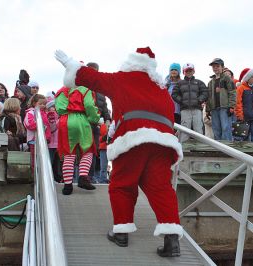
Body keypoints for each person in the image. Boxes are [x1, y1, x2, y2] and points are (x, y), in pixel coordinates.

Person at [55, 47, 184, 257]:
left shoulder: (123, 79)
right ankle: (172, 242)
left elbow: (93, 78)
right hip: (163, 142)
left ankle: (121, 232)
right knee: (161, 188)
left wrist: (70, 63)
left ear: (131, 63)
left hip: (132, 139)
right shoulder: (161, 88)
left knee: (122, 185)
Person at [55, 85, 100, 194]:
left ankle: (67, 186)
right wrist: (94, 118)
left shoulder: (61, 90)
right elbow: (89, 105)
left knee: (68, 153)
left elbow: (59, 108)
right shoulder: (85, 89)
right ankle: (83, 177)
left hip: (64, 121)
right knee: (88, 150)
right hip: (81, 119)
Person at [85, 62, 112, 185]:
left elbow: (104, 107)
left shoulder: (100, 89)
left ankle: (90, 177)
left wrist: (107, 120)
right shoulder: (81, 85)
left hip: (96, 124)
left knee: (93, 150)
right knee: (81, 150)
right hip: (83, 122)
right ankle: (79, 176)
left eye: (95, 70)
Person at [172, 63, 208, 142]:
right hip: (184, 110)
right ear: (184, 72)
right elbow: (174, 94)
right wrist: (181, 100)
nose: (189, 72)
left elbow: (205, 93)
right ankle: (183, 148)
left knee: (198, 128)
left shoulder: (199, 82)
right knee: (185, 129)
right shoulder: (179, 83)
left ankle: (200, 148)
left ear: (193, 71)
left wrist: (199, 100)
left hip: (197, 109)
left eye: (190, 70)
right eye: (187, 71)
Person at [206, 58, 236, 141]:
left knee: (226, 127)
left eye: (217, 66)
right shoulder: (210, 82)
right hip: (214, 108)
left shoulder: (227, 79)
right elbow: (208, 97)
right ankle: (219, 148)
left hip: (225, 107)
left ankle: (228, 148)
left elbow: (233, 92)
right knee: (216, 129)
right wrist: (208, 109)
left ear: (222, 67)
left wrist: (232, 106)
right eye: (214, 66)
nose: (215, 68)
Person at [24, 94, 51, 177]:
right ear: (34, 103)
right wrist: (41, 125)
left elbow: (49, 128)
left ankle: (42, 176)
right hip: (34, 140)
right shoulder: (31, 112)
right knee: (35, 160)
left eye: (44, 104)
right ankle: (34, 177)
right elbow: (29, 124)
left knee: (43, 160)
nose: (42, 105)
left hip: (44, 140)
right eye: (40, 104)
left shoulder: (44, 114)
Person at [235, 68, 253, 142]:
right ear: (248, 77)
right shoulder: (241, 88)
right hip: (244, 117)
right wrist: (239, 115)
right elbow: (238, 102)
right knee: (243, 137)